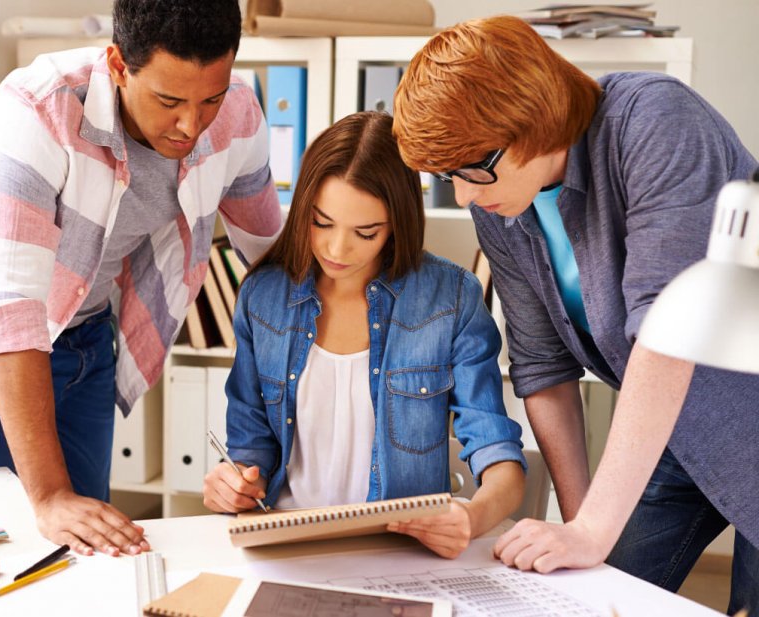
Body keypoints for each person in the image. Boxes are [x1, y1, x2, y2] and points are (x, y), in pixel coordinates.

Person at [393, 15, 758, 613]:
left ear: (531, 121)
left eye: (471, 168)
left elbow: (665, 337)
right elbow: (542, 368)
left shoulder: (655, 122)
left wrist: (592, 531)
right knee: (584, 596)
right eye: (445, 177)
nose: (462, 195)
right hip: (676, 433)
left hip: (748, 411)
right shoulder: (500, 203)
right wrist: (578, 524)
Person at [0, 0, 282, 557]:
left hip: (87, 329)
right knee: (9, 541)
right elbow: (10, 310)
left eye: (210, 97)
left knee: (88, 541)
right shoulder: (38, 109)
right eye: (168, 100)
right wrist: (50, 495)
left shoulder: (237, 114)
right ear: (117, 64)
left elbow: (271, 255)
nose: (191, 125)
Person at [202, 111, 527, 559]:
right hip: (289, 549)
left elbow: (499, 455)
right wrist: (232, 482)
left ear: (397, 225)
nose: (337, 250)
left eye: (365, 232)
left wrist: (471, 517)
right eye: (321, 222)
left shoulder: (450, 298)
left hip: (400, 552)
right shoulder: (263, 297)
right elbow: (250, 451)